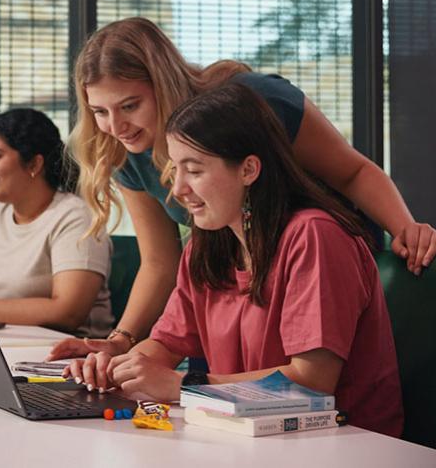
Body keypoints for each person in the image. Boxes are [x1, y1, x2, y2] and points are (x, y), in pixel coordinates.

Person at [47, 17, 434, 361]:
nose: (115, 126)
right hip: (242, 273)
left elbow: (352, 173)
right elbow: (159, 262)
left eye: (129, 106)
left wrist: (405, 230)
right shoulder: (126, 151)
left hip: (314, 261)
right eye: (99, 111)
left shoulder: (257, 102)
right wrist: (121, 340)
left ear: (162, 85)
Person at [68, 84, 403, 436]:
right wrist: (118, 368)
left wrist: (181, 385)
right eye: (176, 169)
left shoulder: (315, 236)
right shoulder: (206, 243)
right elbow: (167, 344)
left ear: (248, 170)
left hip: (343, 443)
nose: (178, 189)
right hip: (250, 436)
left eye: (194, 171)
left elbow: (312, 381)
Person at [0, 108, 113, 335]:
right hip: (3, 347)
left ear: (34, 164)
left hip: (68, 358)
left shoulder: (76, 217)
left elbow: (67, 312)